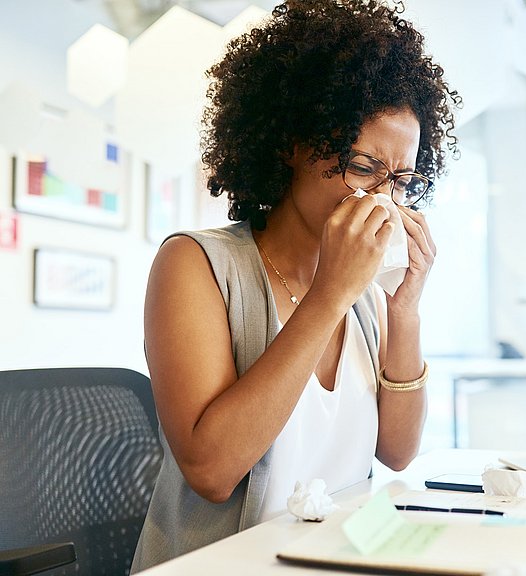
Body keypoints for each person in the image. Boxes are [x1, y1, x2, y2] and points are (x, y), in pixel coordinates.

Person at [131, 0, 460, 571]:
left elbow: (399, 452)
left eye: (401, 180)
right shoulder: (195, 264)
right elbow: (211, 471)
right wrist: (328, 296)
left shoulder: (363, 292)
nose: (383, 199)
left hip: (344, 560)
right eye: (362, 168)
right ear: (292, 144)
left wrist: (404, 309)